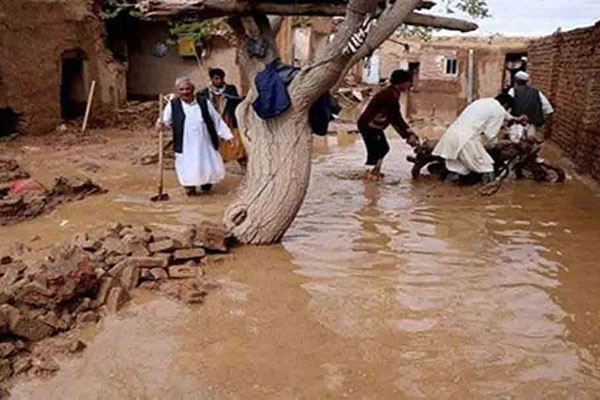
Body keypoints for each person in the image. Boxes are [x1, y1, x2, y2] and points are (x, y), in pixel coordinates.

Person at [156, 77, 234, 196]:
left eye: (187, 89)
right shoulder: (173, 105)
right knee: (187, 169)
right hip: (185, 144)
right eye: (181, 89)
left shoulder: (204, 102)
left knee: (207, 166)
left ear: (193, 89)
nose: (185, 92)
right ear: (178, 91)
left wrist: (228, 136)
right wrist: (160, 125)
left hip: (205, 143)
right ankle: (190, 189)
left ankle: (206, 188)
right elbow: (163, 121)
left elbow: (217, 120)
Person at [432, 93, 527, 184]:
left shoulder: (481, 102)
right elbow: (490, 135)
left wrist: (516, 119)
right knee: (487, 167)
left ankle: (451, 185)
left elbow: (503, 114)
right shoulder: (499, 110)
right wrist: (499, 144)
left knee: (461, 167)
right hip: (466, 139)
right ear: (505, 105)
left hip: (451, 135)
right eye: (507, 108)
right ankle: (487, 189)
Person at [357, 69, 420, 179]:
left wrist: (407, 134)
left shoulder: (393, 92)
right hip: (368, 125)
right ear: (401, 82)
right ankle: (368, 177)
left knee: (383, 148)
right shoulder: (389, 95)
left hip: (374, 126)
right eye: (408, 82)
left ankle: (375, 172)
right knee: (374, 151)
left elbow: (394, 118)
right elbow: (396, 118)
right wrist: (408, 134)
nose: (410, 85)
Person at [198, 68, 247, 168]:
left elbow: (236, 100)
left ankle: (237, 159)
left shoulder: (230, 89)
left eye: (221, 78)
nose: (219, 81)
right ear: (212, 79)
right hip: (213, 120)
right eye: (216, 78)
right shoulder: (205, 92)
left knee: (233, 138)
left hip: (228, 118)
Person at [508, 71, 554, 142]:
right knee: (530, 143)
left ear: (516, 80)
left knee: (514, 143)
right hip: (531, 125)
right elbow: (549, 110)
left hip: (516, 124)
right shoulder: (536, 92)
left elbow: (507, 107)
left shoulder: (512, 91)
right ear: (526, 81)